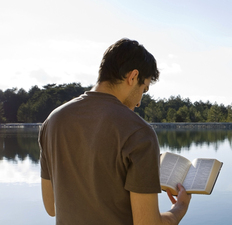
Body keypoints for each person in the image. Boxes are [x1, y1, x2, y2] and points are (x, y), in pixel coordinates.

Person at [39, 38, 191, 225]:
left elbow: (51, 207)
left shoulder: (53, 121)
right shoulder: (138, 131)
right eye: (144, 89)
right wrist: (180, 208)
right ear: (133, 77)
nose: (138, 102)